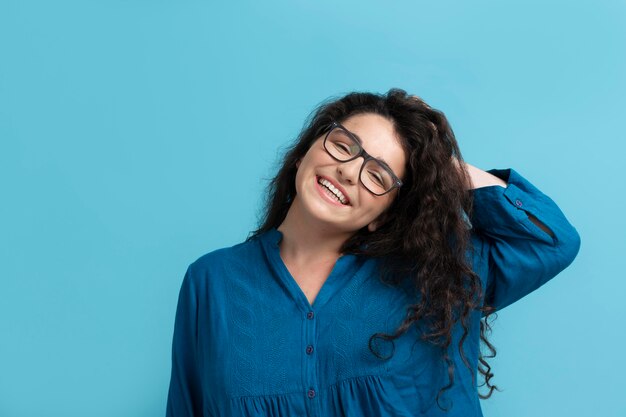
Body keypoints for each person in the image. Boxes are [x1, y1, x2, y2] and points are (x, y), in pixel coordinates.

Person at [165, 88, 581, 417]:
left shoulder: (435, 274)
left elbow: (550, 240)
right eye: (343, 146)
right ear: (306, 152)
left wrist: (442, 165)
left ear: (384, 214)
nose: (348, 171)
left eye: (378, 174)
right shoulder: (212, 282)